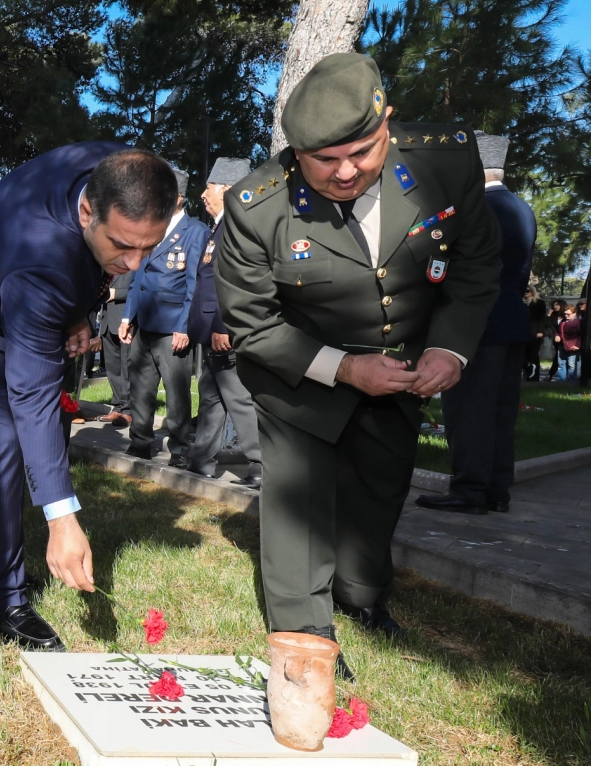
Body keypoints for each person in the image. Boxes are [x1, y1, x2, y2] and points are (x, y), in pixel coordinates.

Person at [216, 52, 500, 676]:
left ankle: (363, 597)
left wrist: (449, 348)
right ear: (295, 153)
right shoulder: (254, 207)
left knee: (381, 482)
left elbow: (476, 264)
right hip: (300, 370)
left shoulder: (445, 160)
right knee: (301, 498)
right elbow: (254, 324)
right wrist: (343, 369)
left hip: (402, 364)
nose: (346, 172)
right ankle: (304, 634)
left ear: (388, 124)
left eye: (363, 152)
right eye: (324, 161)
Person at [0, 144, 176, 647]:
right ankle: (6, 595)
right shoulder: (43, 264)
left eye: (148, 248)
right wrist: (61, 519)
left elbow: (88, 265)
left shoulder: (112, 167)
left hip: (0, 282)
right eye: (122, 247)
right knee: (1, 434)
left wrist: (79, 311)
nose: (133, 265)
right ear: (88, 209)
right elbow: (34, 395)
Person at [416, 132, 535, 515]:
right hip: (512, 320)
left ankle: (469, 489)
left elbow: (459, 269)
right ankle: (496, 489)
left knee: (469, 411)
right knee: (501, 413)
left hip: (476, 323)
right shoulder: (522, 208)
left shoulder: (475, 209)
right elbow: (520, 274)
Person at [119, 166, 208, 466]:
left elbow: (195, 283)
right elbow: (138, 274)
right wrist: (127, 316)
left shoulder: (195, 232)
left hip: (173, 327)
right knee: (142, 387)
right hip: (145, 321)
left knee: (177, 392)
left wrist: (185, 326)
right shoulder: (150, 225)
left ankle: (180, 449)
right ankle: (140, 442)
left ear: (178, 198)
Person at [184, 157, 262, 486]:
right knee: (212, 395)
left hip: (223, 329)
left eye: (210, 187)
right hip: (211, 328)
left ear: (228, 189)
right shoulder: (221, 224)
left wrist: (222, 326)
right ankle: (201, 460)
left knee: (238, 398)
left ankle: (261, 466)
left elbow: (231, 282)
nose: (203, 193)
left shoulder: (235, 225)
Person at [95, 271, 133, 426]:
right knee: (112, 368)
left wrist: (117, 293)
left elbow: (140, 289)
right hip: (107, 321)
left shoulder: (136, 261)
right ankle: (118, 405)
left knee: (127, 366)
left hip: (126, 321)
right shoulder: (109, 262)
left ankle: (129, 409)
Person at [525, 287, 547, 381]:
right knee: (523, 357)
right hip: (522, 333)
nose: (525, 292)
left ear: (532, 291)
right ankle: (526, 374)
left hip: (534, 333)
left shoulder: (539, 303)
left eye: (527, 291)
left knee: (533, 355)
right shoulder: (520, 302)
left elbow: (542, 318)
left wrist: (540, 331)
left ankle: (534, 378)